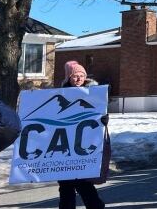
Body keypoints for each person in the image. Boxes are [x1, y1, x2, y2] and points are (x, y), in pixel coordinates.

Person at [58, 61, 109, 209]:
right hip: (64, 148)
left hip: (83, 148)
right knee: (66, 188)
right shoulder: (59, 94)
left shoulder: (93, 94)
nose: (79, 79)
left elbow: (99, 115)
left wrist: (103, 120)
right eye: (75, 76)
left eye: (81, 76)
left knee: (85, 185)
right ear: (68, 78)